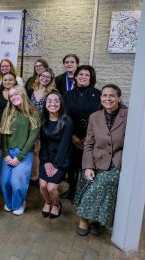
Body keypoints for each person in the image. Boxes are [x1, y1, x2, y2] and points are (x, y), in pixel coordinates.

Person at [74, 84, 127, 236]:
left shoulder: (128, 115)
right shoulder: (94, 116)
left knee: (102, 187)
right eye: (104, 95)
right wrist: (89, 166)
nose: (107, 98)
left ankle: (91, 219)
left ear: (119, 98)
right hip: (96, 160)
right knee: (87, 181)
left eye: (111, 95)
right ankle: (86, 218)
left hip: (116, 161)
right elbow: (89, 144)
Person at [0, 86, 40, 215]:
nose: (13, 97)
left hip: (24, 153)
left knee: (16, 182)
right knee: (4, 181)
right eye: (11, 96)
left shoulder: (34, 112)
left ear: (22, 93)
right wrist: (5, 153)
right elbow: (4, 134)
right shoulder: (7, 111)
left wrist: (19, 157)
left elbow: (32, 138)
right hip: (7, 152)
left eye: (16, 94)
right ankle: (10, 203)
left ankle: (19, 203)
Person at [62, 65, 101, 200]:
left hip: (90, 137)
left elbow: (100, 118)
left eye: (87, 75)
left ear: (91, 78)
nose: (83, 77)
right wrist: (72, 136)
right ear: (76, 77)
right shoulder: (68, 95)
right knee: (71, 164)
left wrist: (87, 137)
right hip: (71, 135)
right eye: (81, 74)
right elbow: (64, 115)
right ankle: (71, 189)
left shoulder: (98, 95)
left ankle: (83, 191)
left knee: (86, 164)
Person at [39, 92, 73, 219]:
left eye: (56, 101)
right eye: (49, 101)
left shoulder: (67, 121)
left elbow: (65, 145)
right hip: (46, 156)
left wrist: (56, 165)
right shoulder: (43, 120)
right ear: (45, 104)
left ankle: (56, 205)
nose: (53, 103)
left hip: (61, 157)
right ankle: (48, 203)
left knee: (52, 187)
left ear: (61, 103)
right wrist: (46, 162)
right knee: (42, 186)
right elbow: (43, 142)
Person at [27, 68, 58, 184]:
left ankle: (36, 176)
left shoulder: (52, 92)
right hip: (31, 124)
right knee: (32, 149)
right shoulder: (31, 90)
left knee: (39, 151)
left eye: (48, 77)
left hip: (44, 124)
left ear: (51, 79)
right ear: (38, 77)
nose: (45, 79)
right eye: (43, 76)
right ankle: (30, 174)